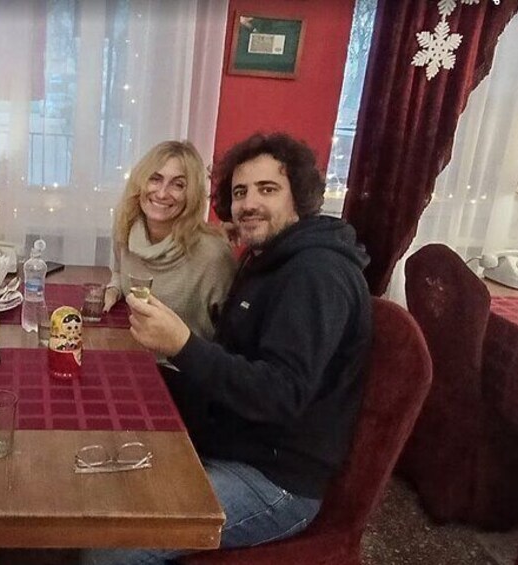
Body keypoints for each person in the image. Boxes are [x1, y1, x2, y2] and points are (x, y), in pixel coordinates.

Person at [83, 133, 373, 564]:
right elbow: (235, 362)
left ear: (300, 195)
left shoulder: (316, 275)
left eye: (267, 189)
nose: (249, 204)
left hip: (276, 480)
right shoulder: (270, 259)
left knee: (112, 546)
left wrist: (181, 345)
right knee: (98, 444)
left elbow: (279, 394)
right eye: (240, 193)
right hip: (233, 438)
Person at [104, 140, 235, 343]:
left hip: (184, 362)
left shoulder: (213, 255)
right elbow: (120, 272)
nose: (162, 193)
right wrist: (114, 289)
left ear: (191, 195)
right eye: (155, 179)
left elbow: (232, 337)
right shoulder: (126, 229)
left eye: (178, 185)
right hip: (133, 349)